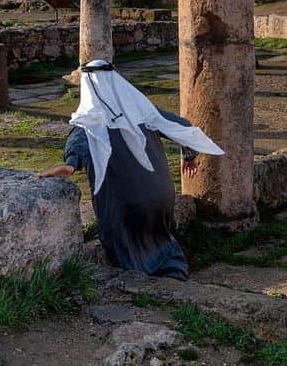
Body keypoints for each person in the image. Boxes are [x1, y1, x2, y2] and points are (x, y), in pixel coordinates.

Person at [38, 59, 223, 280]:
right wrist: (190, 156)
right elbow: (181, 126)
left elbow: (79, 143)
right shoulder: (143, 111)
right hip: (160, 196)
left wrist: (70, 164)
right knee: (161, 238)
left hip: (125, 203)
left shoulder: (91, 121)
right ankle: (174, 275)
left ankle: (141, 284)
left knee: (127, 245)